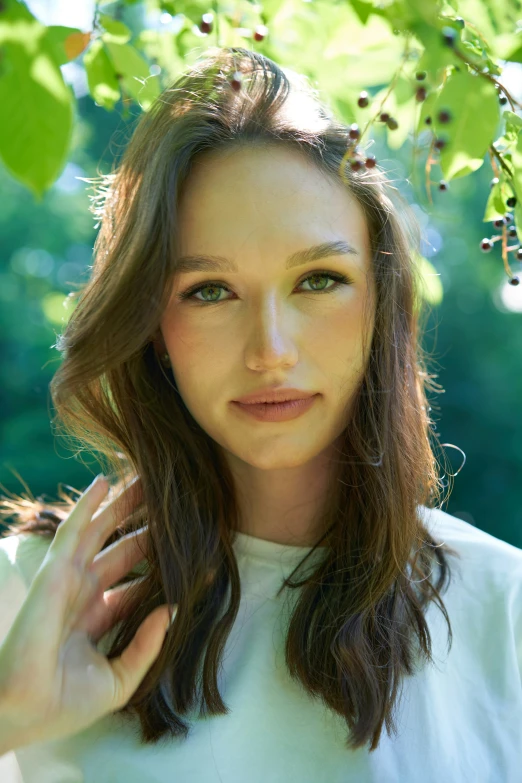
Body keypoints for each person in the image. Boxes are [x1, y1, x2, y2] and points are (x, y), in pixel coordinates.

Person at [0, 46, 521, 782]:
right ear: (152, 325)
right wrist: (10, 715)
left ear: (381, 303)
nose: (270, 351)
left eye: (318, 279)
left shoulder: (506, 610)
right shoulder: (34, 598)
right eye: (210, 290)